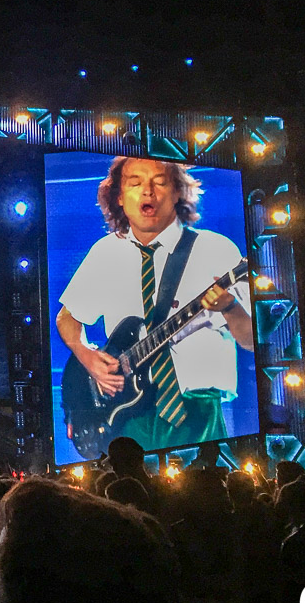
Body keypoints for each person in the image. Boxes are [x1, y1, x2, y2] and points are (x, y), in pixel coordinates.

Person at [56, 157, 254, 452]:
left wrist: (230, 307)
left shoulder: (216, 248)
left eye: (159, 182)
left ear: (177, 192)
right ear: (119, 197)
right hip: (129, 417)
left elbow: (252, 341)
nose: (147, 191)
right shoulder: (105, 252)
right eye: (135, 183)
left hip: (197, 411)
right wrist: (87, 357)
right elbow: (67, 318)